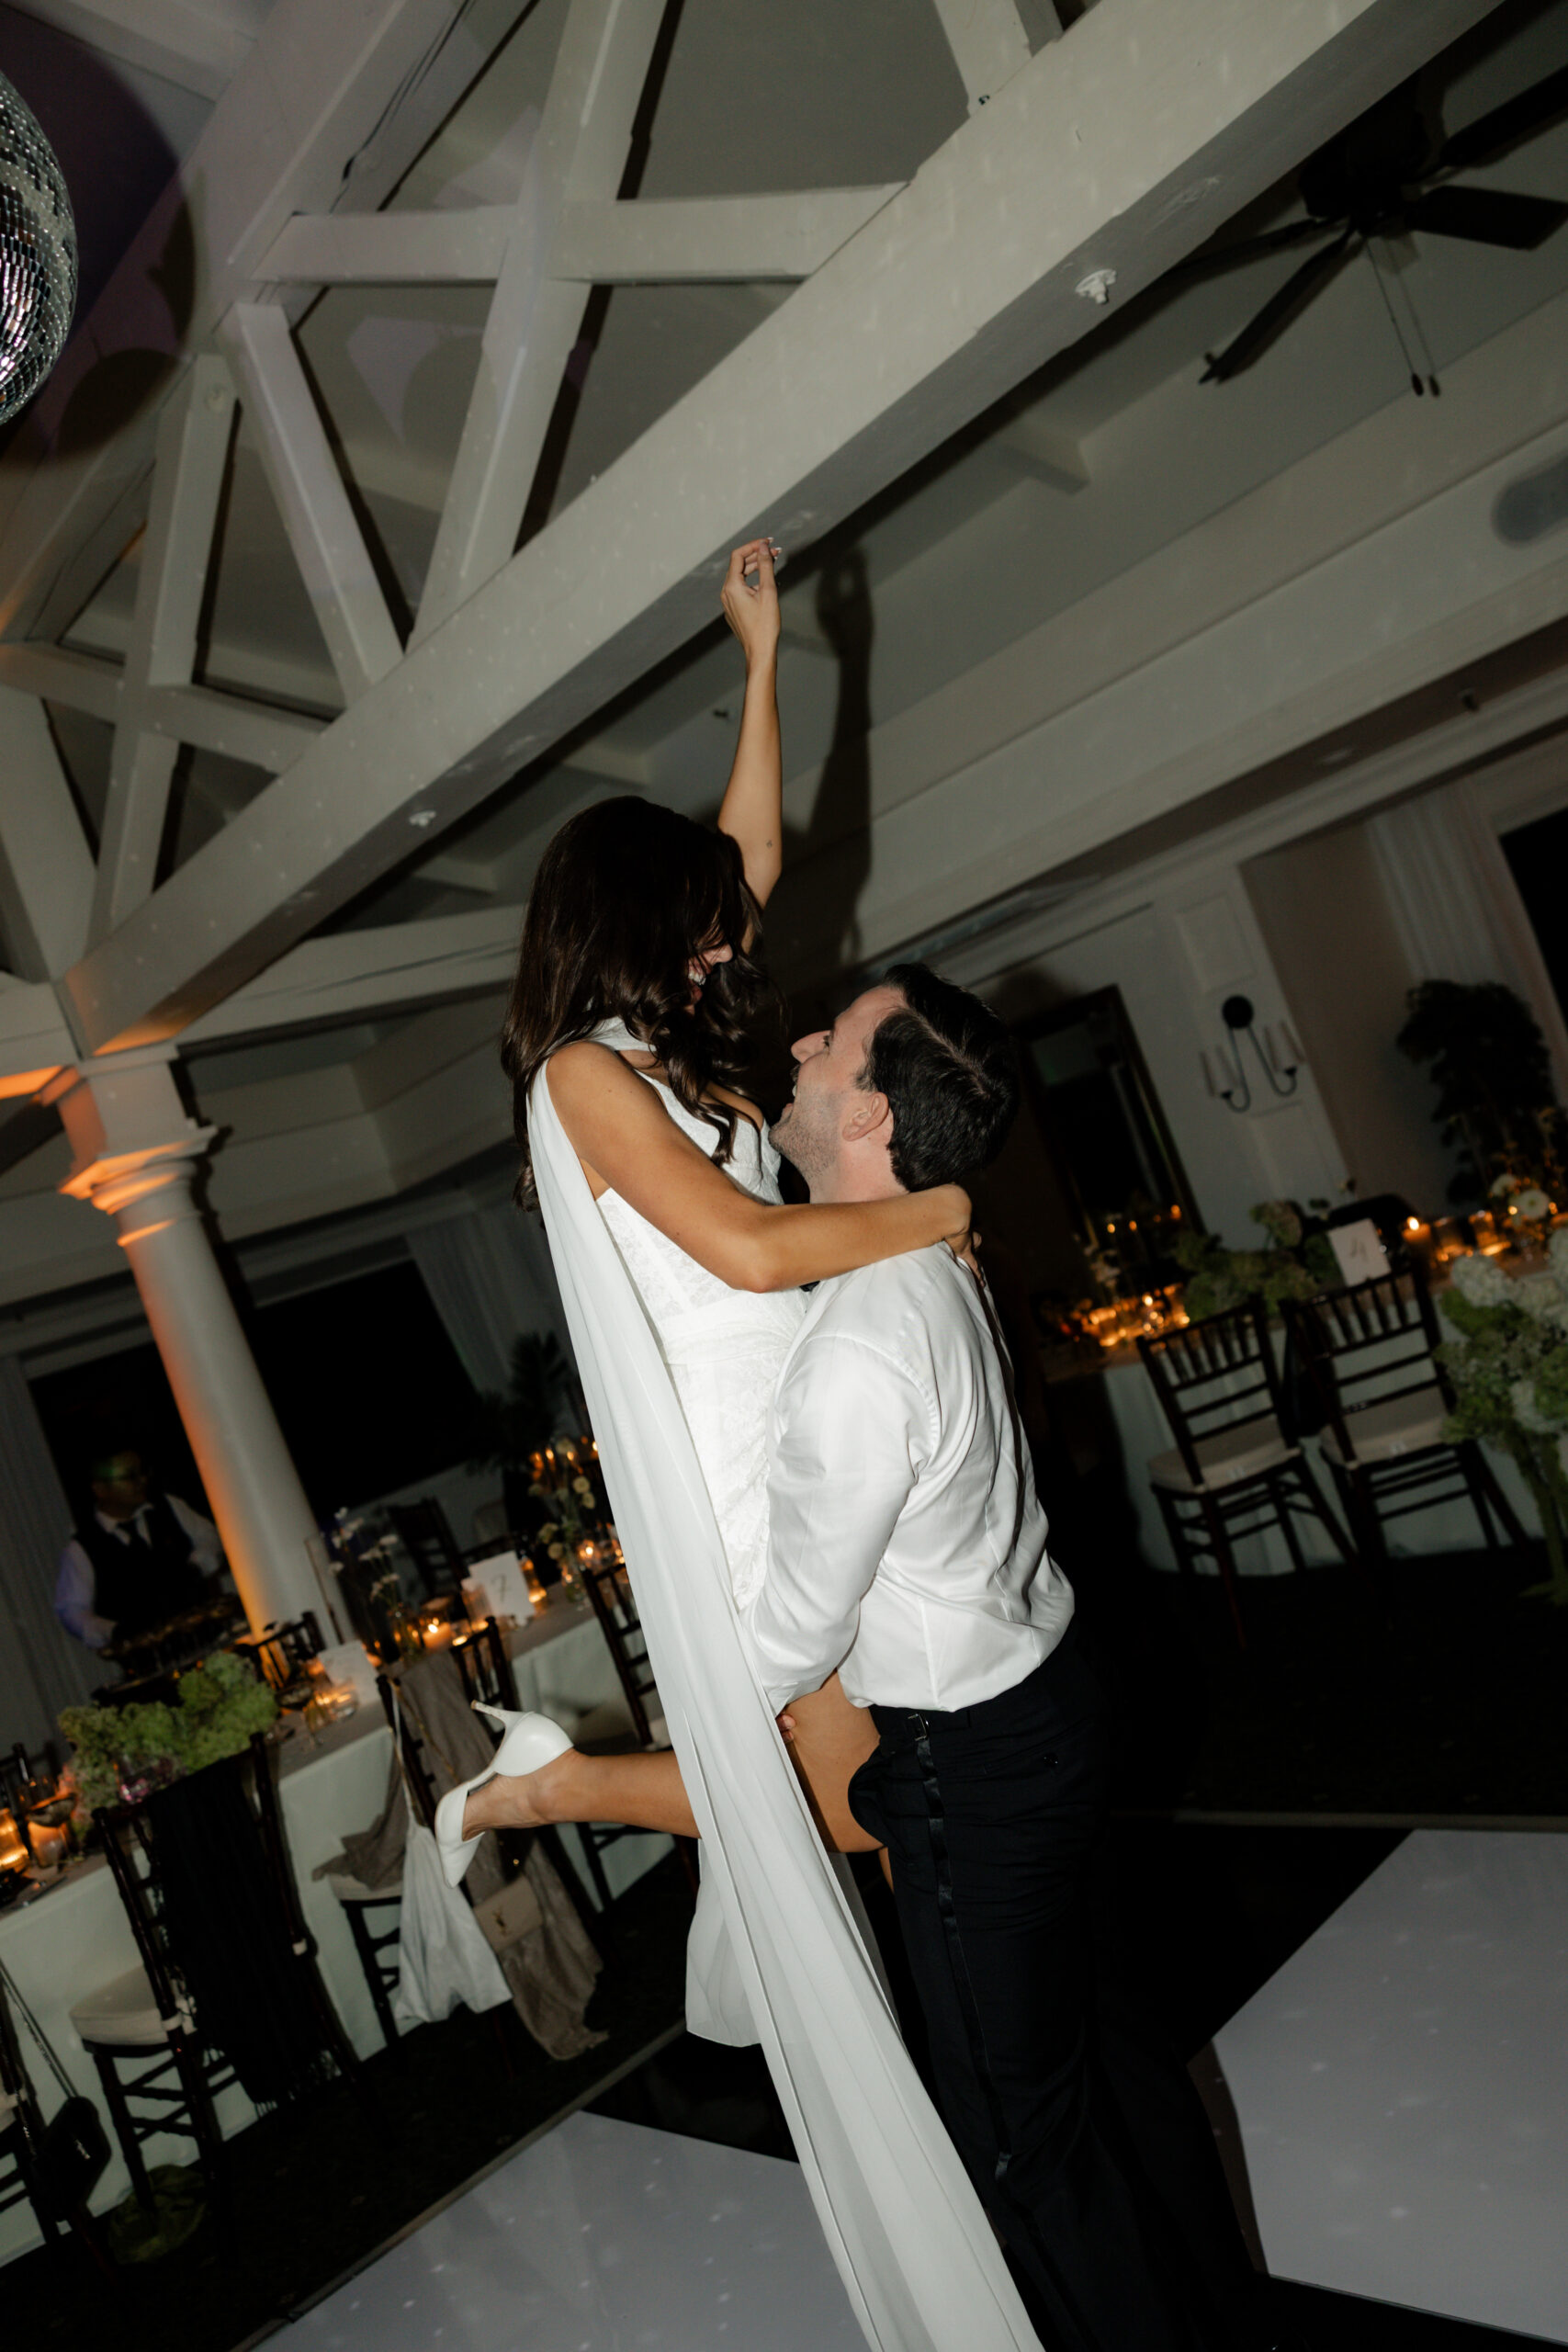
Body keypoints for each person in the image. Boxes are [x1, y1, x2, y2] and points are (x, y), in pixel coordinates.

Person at [464, 970, 1280, 2352]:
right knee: (1118, 2064)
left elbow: (793, 1633)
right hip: (1060, 1701)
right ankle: (1221, 2320)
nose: (795, 1039)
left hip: (978, 1766)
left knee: (1024, 2145)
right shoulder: (925, 1270)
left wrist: (715, 1687)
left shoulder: (854, 1341)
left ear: (872, 1114)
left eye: (830, 1039)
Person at [450, 539, 1044, 2352]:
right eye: (702, 921)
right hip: (737, 1470)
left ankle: (552, 1790)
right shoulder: (581, 1077)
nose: (737, 936)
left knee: (840, 1797)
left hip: (806, 1430)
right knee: (843, 1793)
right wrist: (935, 1215)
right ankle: (548, 1796)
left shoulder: (670, 1049)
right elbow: (754, 1250)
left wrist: (765, 655)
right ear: (632, 924)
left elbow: (757, 852)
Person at [55, 1446, 222, 1649]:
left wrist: (197, 1565)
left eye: (142, 1473)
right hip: (149, 1655)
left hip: (207, 1636)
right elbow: (72, 1609)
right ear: (100, 1489)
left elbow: (210, 1537)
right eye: (129, 1476)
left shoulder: (168, 1507)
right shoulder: (82, 1548)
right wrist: (112, 1630)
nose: (141, 1481)